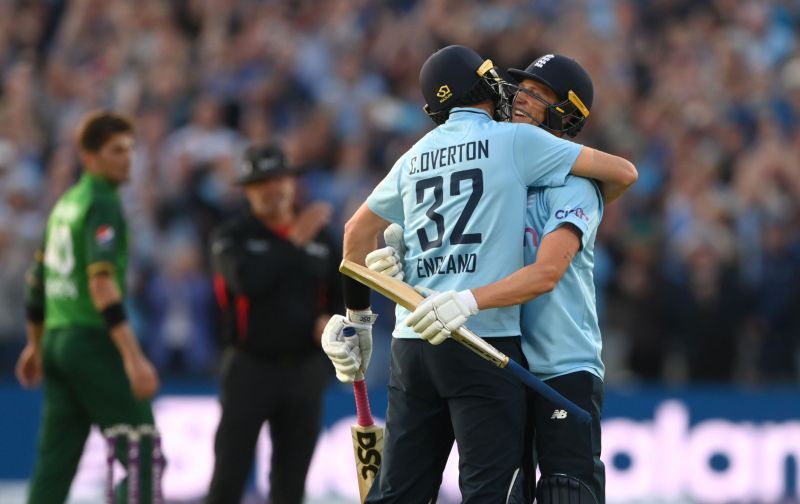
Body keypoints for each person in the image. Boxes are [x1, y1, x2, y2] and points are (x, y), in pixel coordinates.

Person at [320, 45, 636, 503]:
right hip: (498, 352)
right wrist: (401, 265)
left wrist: (464, 300)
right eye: (522, 89)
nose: (524, 99)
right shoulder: (503, 158)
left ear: (567, 114)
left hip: (560, 362)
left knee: (566, 494)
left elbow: (549, 269)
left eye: (540, 94)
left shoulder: (574, 183)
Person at [15, 110, 161, 503]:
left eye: (129, 149)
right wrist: (133, 357)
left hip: (58, 342)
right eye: (116, 150)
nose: (126, 158)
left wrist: (35, 343)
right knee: (142, 450)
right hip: (91, 340)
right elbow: (101, 284)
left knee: (55, 463)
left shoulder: (66, 204)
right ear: (89, 156)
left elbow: (36, 281)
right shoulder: (101, 201)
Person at [206, 144, 341, 504]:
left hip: (304, 370)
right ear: (247, 190)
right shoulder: (231, 236)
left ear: (291, 183)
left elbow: (341, 300)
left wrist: (329, 322)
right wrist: (295, 239)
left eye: (278, 179)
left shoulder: (324, 239)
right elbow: (246, 282)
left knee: (291, 482)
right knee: (228, 477)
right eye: (261, 181)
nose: (272, 188)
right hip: (249, 368)